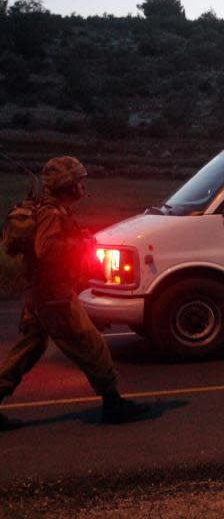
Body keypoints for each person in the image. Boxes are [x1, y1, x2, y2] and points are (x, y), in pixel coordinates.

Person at [0, 156, 148, 430]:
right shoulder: (52, 214)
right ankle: (113, 403)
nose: (83, 185)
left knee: (28, 350)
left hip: (40, 293)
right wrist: (81, 245)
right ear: (67, 185)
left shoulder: (54, 210)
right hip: (53, 295)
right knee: (91, 345)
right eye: (79, 180)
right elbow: (47, 250)